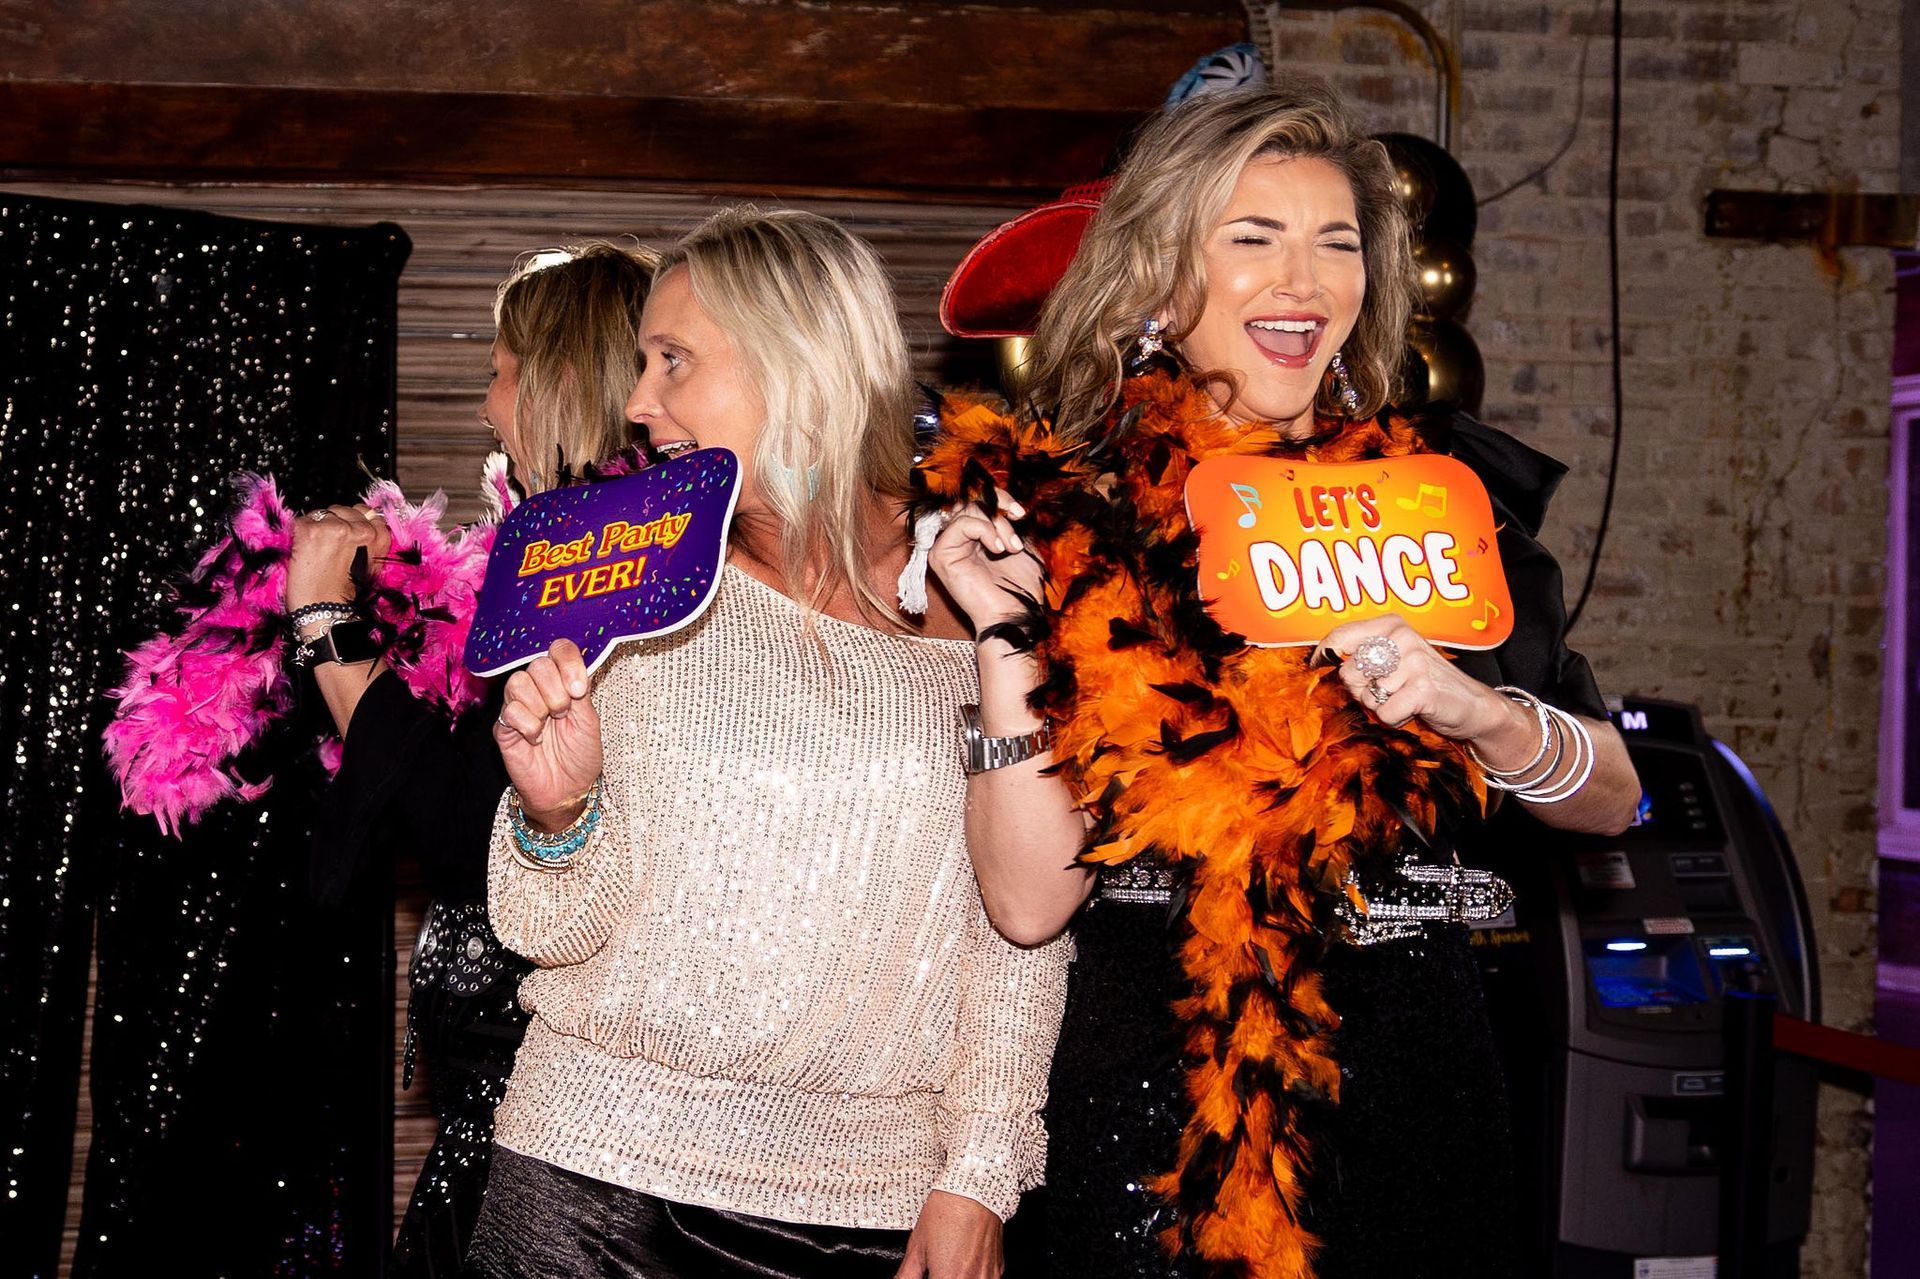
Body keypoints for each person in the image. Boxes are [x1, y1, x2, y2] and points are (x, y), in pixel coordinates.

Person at [912, 80, 1641, 1279]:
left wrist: (1478, 713)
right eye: (1253, 239)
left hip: (1410, 1096)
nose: (1303, 281)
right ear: (1159, 272)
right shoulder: (1062, 516)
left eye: (1337, 243)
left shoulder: (1435, 506)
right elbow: (1030, 905)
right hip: (1151, 1119)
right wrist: (1003, 638)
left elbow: (1612, 797)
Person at [464, 206, 1070, 1279]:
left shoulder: (987, 586)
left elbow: (1018, 927)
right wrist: (560, 815)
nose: (639, 403)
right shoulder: (626, 576)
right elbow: (556, 929)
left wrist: (979, 1166)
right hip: (587, 1180)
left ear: (797, 360)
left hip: (863, 1215)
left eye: (674, 361)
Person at [290, 242, 657, 1277]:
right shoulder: (556, 563)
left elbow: (474, 839)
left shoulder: (608, 581)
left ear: (549, 384)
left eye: (498, 370)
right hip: (502, 1106)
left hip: (540, 1128)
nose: (486, 406)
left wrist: (328, 628)